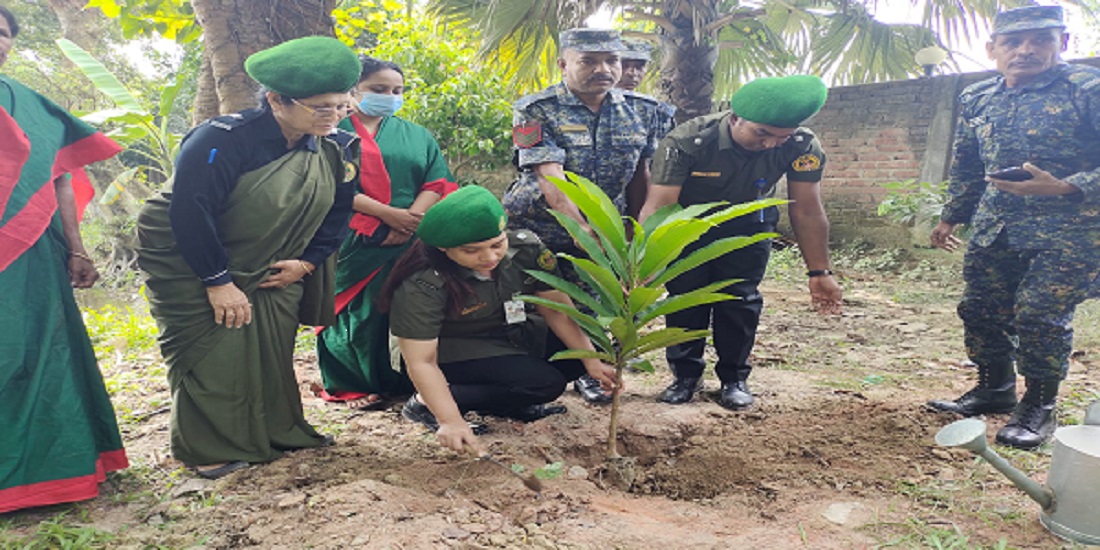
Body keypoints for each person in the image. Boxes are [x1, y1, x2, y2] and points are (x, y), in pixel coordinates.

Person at [136, 36, 360, 478]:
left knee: (271, 351)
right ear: (277, 99)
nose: (333, 116)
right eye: (320, 107)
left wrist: (308, 262)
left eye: (341, 105)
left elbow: (338, 210)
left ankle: (276, 431)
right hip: (192, 260)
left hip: (277, 266)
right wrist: (217, 281)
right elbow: (189, 212)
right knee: (214, 353)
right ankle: (209, 448)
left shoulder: (338, 145)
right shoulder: (222, 140)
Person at [926, 6, 1100, 450]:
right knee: (981, 309)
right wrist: (952, 216)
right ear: (993, 49)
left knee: (1040, 314)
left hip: (1070, 231)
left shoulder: (1088, 90)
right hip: (996, 225)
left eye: (1040, 39)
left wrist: (1066, 186)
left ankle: (1040, 404)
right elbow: (966, 162)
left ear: (1061, 43)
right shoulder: (979, 96)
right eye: (1013, 42)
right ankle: (994, 387)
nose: (1026, 50)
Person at [638, 74, 843, 411]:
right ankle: (685, 377)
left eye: (782, 136)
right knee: (685, 300)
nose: (770, 144)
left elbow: (806, 209)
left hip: (748, 228)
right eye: (761, 133)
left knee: (740, 302)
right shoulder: (689, 141)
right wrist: (646, 262)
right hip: (687, 227)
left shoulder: (802, 145)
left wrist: (819, 271)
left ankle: (734, 379)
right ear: (734, 118)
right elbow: (660, 206)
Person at [0, 4, 128, 512]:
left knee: (40, 353)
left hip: (33, 253)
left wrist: (77, 247)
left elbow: (59, 179)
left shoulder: (30, 104)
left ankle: (53, 474)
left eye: (2, 33)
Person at [503, 27, 673, 404]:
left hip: (606, 224)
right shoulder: (535, 109)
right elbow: (551, 177)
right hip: (538, 223)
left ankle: (587, 372)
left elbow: (641, 175)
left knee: (594, 296)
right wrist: (579, 228)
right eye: (589, 61)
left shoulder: (647, 111)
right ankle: (527, 374)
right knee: (533, 299)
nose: (604, 69)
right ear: (564, 64)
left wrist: (637, 231)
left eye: (611, 60)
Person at [379, 185, 617, 453]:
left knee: (581, 354)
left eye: (497, 244)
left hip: (507, 331)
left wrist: (591, 360)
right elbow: (422, 361)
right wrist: (450, 420)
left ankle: (511, 400)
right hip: (451, 347)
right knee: (544, 384)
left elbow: (556, 310)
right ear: (444, 248)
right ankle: (425, 403)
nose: (489, 257)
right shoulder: (423, 282)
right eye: (472, 251)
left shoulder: (525, 248)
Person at [315, 56, 456, 410]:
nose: (390, 96)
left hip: (412, 233)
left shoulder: (416, 134)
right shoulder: (330, 132)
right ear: (354, 91)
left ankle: (406, 380)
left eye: (397, 90)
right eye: (379, 89)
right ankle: (351, 384)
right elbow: (328, 183)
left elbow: (437, 180)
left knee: (405, 305)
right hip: (350, 235)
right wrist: (386, 217)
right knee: (355, 312)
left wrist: (411, 218)